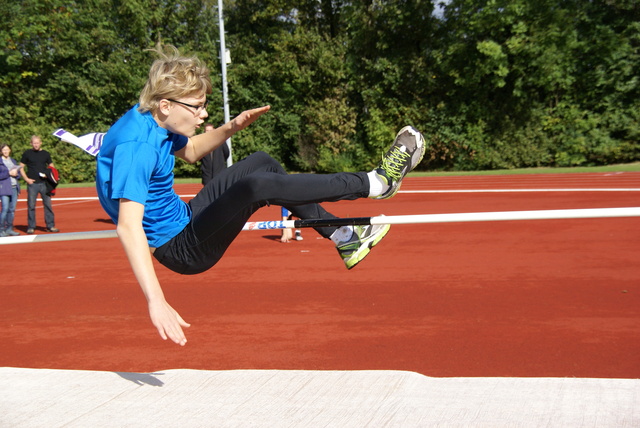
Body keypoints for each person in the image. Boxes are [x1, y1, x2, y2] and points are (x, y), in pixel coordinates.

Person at [96, 45, 425, 346]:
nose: (204, 115)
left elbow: (193, 150)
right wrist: (157, 300)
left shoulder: (156, 119)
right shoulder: (136, 147)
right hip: (182, 249)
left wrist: (232, 127)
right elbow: (128, 226)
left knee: (263, 163)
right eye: (197, 108)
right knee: (257, 186)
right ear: (166, 104)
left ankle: (343, 235)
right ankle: (376, 182)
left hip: (187, 216)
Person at [20, 135, 59, 234]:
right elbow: (20, 167)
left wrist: (51, 176)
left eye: (37, 143)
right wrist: (26, 179)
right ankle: (31, 227)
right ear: (31, 143)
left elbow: (51, 166)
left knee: (48, 205)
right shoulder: (27, 154)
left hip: (44, 184)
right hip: (32, 184)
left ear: (40, 143)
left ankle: (50, 225)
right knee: (31, 206)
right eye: (34, 143)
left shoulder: (46, 154)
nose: (36, 145)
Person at [0, 144, 21, 236]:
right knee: (5, 209)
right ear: (1, 151)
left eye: (7, 149)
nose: (6, 151)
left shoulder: (13, 161)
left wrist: (16, 174)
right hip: (4, 188)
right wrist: (8, 173)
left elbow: (18, 174)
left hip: (14, 187)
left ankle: (9, 229)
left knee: (12, 210)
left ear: (10, 150)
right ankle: (1, 230)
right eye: (4, 150)